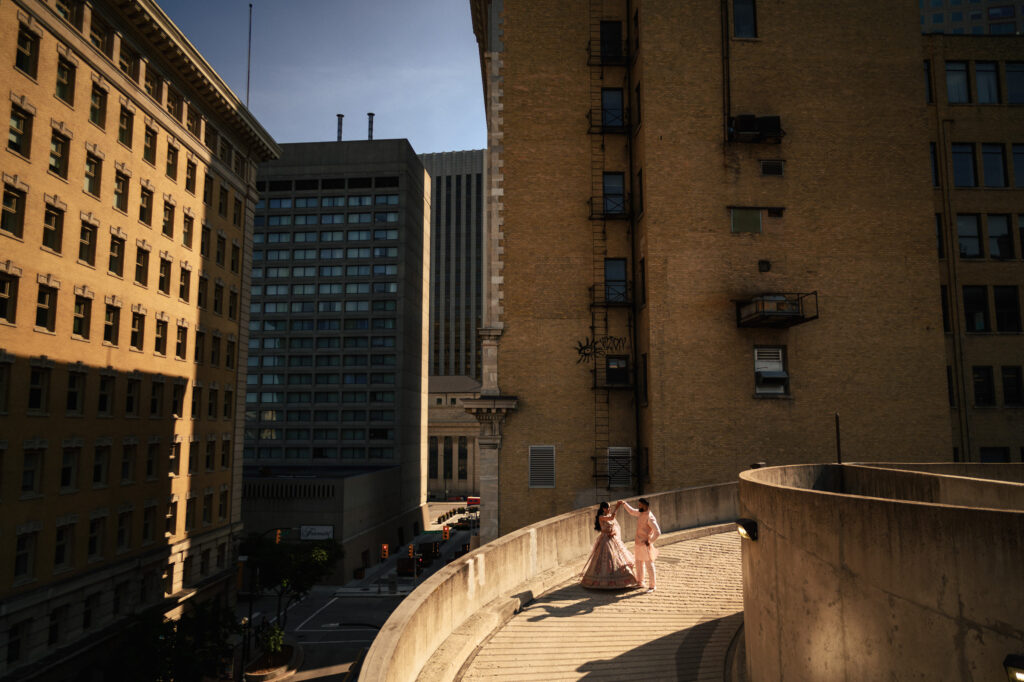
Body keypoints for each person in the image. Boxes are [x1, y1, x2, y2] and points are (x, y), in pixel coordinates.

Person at [580, 501, 638, 589]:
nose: (609, 509)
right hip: (604, 540)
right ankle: (603, 580)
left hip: (612, 539)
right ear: (603, 509)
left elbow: (613, 525)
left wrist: (613, 532)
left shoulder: (607, 516)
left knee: (617, 558)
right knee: (605, 558)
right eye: (608, 508)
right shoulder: (601, 517)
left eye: (610, 508)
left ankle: (622, 578)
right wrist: (617, 507)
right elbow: (611, 518)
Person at [621, 498, 661, 592]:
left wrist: (650, 541)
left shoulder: (649, 517)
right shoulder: (640, 513)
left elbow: (658, 532)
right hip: (638, 543)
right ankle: (640, 582)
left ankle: (652, 586)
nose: (638, 507)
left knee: (649, 565)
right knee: (638, 563)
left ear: (645, 505)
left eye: (639, 505)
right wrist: (624, 503)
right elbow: (631, 511)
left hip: (645, 544)